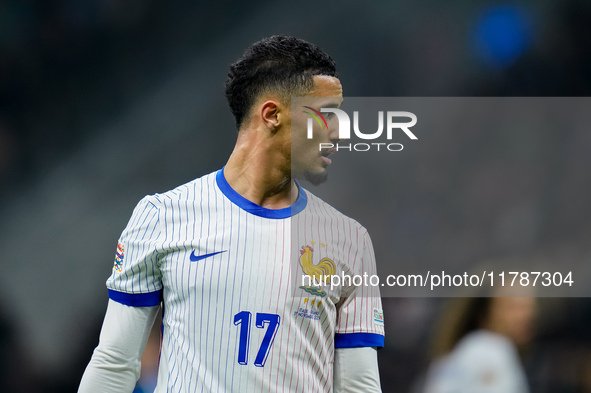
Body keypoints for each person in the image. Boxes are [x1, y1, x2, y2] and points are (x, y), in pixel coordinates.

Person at [78, 35, 384, 393]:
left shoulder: (350, 241)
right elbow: (115, 362)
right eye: (326, 114)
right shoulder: (161, 216)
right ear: (272, 114)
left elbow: (358, 386)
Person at [422, 294, 535, 393]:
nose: (526, 315)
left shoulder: (462, 350)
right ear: (485, 313)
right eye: (513, 307)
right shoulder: (490, 349)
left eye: (530, 306)